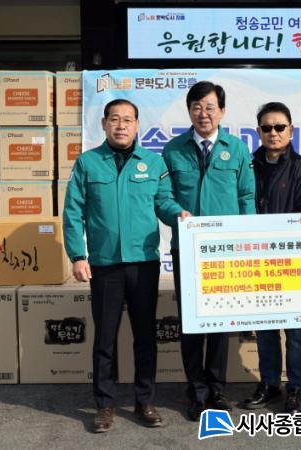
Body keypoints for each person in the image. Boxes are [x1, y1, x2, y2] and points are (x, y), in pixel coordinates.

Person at [63, 99, 186, 433]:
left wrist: (178, 214)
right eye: (115, 119)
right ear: (104, 124)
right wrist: (78, 255)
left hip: (143, 263)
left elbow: (163, 201)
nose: (121, 125)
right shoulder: (88, 163)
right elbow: (73, 211)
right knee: (105, 338)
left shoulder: (153, 162)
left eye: (128, 120)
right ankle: (104, 405)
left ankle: (145, 401)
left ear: (137, 125)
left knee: (145, 336)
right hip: (104, 265)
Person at [159, 81, 256, 422]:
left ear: (222, 111)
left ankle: (216, 388)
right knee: (191, 323)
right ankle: (196, 390)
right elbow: (163, 196)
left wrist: (247, 240)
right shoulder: (173, 150)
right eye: (197, 107)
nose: (204, 113)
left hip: (225, 252)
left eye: (210, 107)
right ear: (189, 111)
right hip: (188, 249)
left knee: (219, 323)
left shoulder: (237, 149)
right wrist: (176, 213)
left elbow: (246, 197)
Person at [240, 102, 301, 413]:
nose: (273, 133)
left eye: (279, 127)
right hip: (256, 261)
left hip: (293, 261)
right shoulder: (247, 166)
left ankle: (297, 386)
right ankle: (270, 383)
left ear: (291, 130)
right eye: (266, 127)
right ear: (258, 132)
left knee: (296, 331)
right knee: (265, 329)